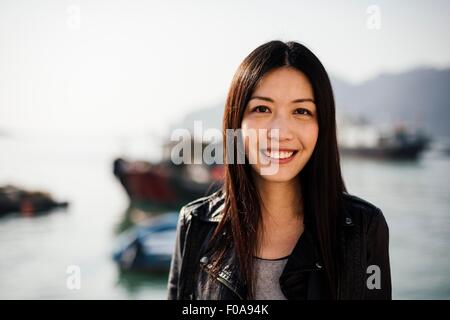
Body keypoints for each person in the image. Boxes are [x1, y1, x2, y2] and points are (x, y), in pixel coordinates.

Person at [167, 40, 391, 300]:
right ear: (236, 122)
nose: (280, 132)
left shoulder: (364, 228)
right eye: (262, 109)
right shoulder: (195, 224)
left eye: (302, 111)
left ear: (323, 126)